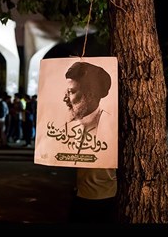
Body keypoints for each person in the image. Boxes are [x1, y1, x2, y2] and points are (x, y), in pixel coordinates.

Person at [63, 61, 117, 223]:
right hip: (82, 194)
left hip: (102, 199)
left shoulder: (110, 128)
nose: (65, 98)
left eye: (71, 92)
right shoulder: (70, 129)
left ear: (91, 94)